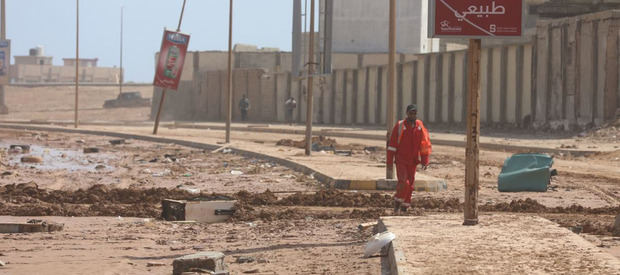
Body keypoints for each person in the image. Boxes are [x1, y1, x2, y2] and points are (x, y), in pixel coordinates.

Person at [386, 104, 432, 215]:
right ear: (407, 113)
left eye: (414, 113)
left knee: (410, 186)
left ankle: (404, 208)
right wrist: (389, 162)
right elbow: (392, 145)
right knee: (404, 183)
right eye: (411, 113)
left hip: (413, 161)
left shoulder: (419, 126)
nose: (413, 115)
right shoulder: (400, 126)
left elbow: (424, 144)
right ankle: (397, 202)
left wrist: (425, 160)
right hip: (401, 160)